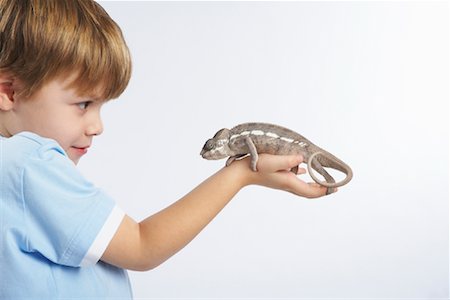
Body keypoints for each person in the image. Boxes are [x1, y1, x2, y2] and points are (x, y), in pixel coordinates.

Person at [0, 0, 331, 298]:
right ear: (9, 92)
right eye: (83, 104)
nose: (97, 126)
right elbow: (143, 246)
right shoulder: (29, 163)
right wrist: (240, 174)